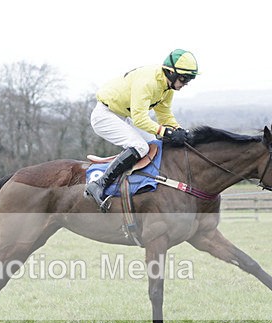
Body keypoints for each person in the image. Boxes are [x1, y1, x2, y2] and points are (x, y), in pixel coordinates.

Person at [85, 49, 198, 210]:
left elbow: (164, 115)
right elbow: (140, 119)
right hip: (105, 115)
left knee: (154, 144)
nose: (185, 83)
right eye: (183, 78)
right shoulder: (148, 82)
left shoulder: (167, 88)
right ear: (171, 73)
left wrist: (179, 130)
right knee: (140, 147)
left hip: (123, 116)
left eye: (188, 79)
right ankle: (99, 184)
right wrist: (166, 132)